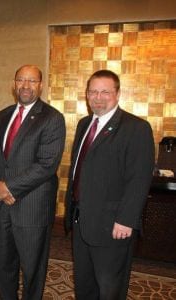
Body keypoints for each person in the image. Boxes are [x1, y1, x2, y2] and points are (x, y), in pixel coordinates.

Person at [64, 70, 155, 299]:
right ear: (86, 94)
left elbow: (139, 179)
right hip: (82, 221)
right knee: (84, 286)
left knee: (109, 289)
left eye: (105, 92)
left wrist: (126, 219)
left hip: (113, 227)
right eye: (93, 91)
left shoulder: (136, 128)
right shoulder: (85, 124)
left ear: (117, 94)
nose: (98, 97)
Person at [0, 65, 66, 299]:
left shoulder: (52, 118)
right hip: (3, 207)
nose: (25, 85)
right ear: (14, 84)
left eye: (32, 81)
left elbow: (46, 164)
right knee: (3, 265)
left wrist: (8, 187)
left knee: (32, 269)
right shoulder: (2, 116)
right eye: (21, 80)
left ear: (40, 85)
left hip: (33, 207)